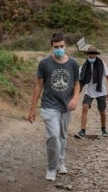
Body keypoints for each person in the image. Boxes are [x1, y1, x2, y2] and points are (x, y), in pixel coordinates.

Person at [28, 32, 81, 181]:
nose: (59, 49)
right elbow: (38, 87)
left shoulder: (73, 63)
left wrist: (75, 99)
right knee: (53, 136)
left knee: (62, 136)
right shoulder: (44, 63)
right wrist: (32, 109)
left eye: (62, 46)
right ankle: (51, 168)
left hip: (65, 106)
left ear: (66, 46)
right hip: (49, 106)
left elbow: (77, 84)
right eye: (56, 47)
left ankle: (60, 162)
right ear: (51, 47)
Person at [75, 45, 108, 139]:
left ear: (96, 55)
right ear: (87, 56)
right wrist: (75, 94)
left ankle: (103, 129)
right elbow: (78, 81)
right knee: (85, 107)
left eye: (93, 56)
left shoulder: (101, 64)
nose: (92, 58)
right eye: (90, 56)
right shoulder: (83, 67)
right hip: (89, 91)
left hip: (101, 91)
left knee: (102, 111)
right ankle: (82, 131)